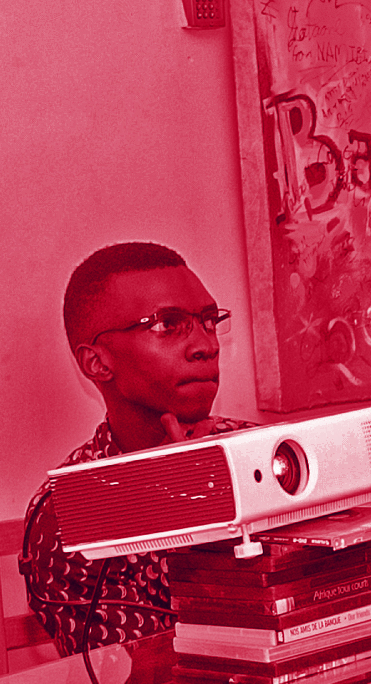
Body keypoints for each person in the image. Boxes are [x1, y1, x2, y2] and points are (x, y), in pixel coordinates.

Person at [20, 241, 255, 655]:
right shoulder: (68, 515)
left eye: (208, 321)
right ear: (97, 363)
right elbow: (139, 681)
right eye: (168, 324)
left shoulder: (263, 455)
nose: (206, 345)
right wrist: (183, 514)